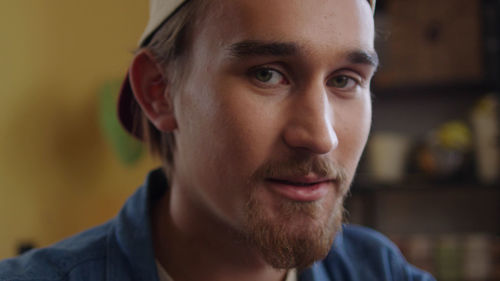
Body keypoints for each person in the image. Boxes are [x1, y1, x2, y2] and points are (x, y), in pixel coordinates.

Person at [0, 0, 436, 280]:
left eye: (345, 79)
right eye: (268, 74)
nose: (320, 136)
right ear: (160, 91)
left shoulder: (383, 272)